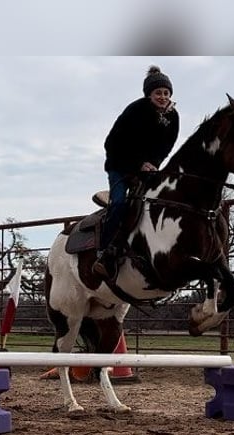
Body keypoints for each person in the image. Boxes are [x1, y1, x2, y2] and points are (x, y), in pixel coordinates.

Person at [92, 65, 180, 280]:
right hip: (120, 165)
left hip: (148, 169)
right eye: (158, 93)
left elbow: (167, 147)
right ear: (149, 94)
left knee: (159, 201)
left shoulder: (173, 117)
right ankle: (104, 251)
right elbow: (112, 143)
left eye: (166, 93)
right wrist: (138, 163)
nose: (162, 97)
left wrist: (153, 163)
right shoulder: (135, 111)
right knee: (121, 203)